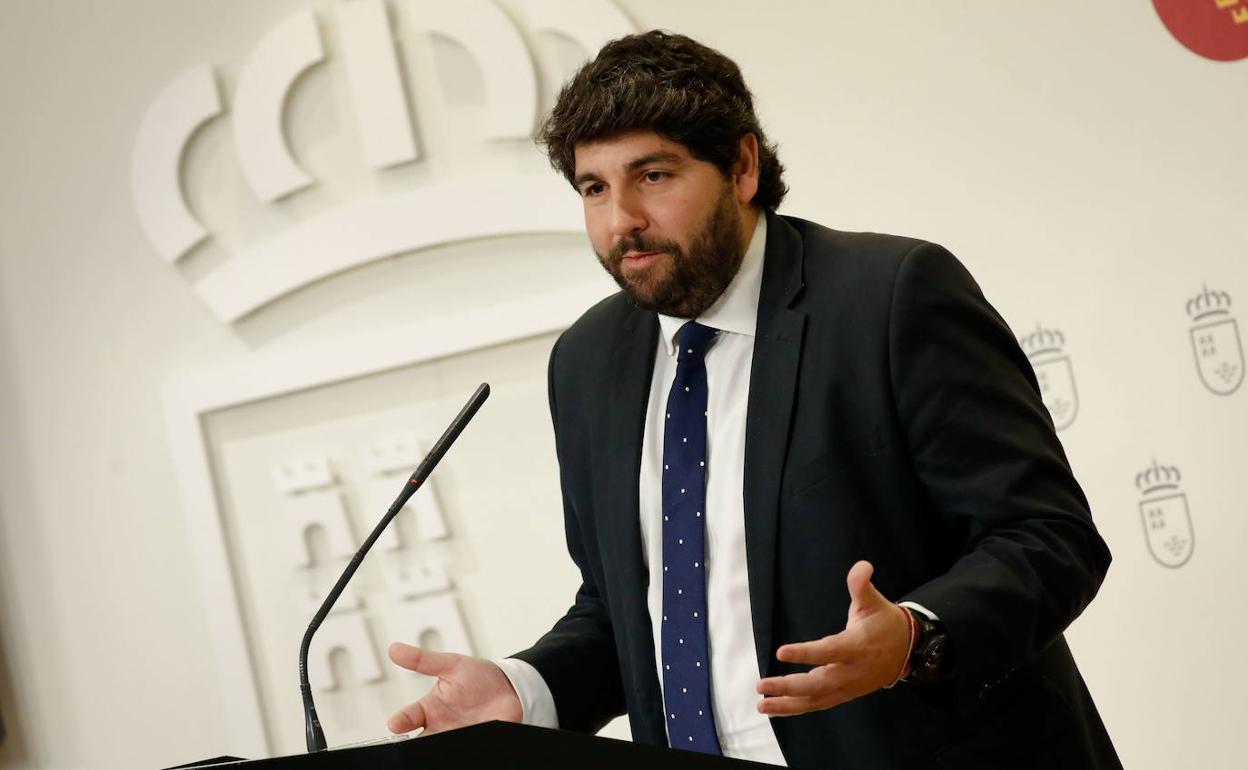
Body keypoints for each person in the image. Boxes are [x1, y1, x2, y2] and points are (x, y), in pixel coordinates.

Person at [385, 30, 1121, 768]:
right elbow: (626, 612)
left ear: (741, 167)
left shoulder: (889, 298)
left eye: (653, 176)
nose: (621, 221)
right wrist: (528, 688)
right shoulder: (585, 364)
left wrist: (917, 636)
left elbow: (1047, 535)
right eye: (594, 188)